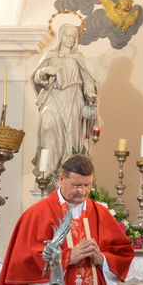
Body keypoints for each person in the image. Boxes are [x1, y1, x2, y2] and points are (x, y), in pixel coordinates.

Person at [0, 154, 134, 285]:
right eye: (76, 185)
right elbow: (25, 260)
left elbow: (122, 252)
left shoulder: (100, 213)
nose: (82, 191)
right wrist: (66, 257)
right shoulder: (38, 213)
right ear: (61, 179)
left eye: (87, 185)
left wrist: (102, 259)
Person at [30, 23, 98, 175]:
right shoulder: (50, 56)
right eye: (68, 36)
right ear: (61, 36)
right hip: (53, 95)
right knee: (47, 126)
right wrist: (46, 70)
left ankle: (69, 172)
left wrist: (89, 91)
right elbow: (36, 78)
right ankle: (47, 170)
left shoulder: (78, 58)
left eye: (74, 37)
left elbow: (88, 79)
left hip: (73, 98)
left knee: (71, 135)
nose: (71, 39)